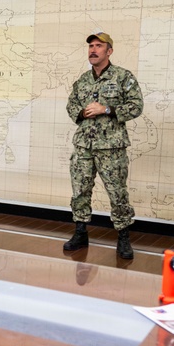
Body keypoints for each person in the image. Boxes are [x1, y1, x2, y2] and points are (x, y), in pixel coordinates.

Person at [63, 32, 144, 259]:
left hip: (111, 147)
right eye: (90, 46)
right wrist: (81, 112)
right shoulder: (82, 81)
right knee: (80, 191)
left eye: (99, 46)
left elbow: (137, 106)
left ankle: (123, 238)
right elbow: (71, 106)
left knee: (117, 194)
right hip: (83, 146)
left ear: (109, 51)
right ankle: (80, 233)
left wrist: (106, 109)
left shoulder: (123, 77)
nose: (93, 50)